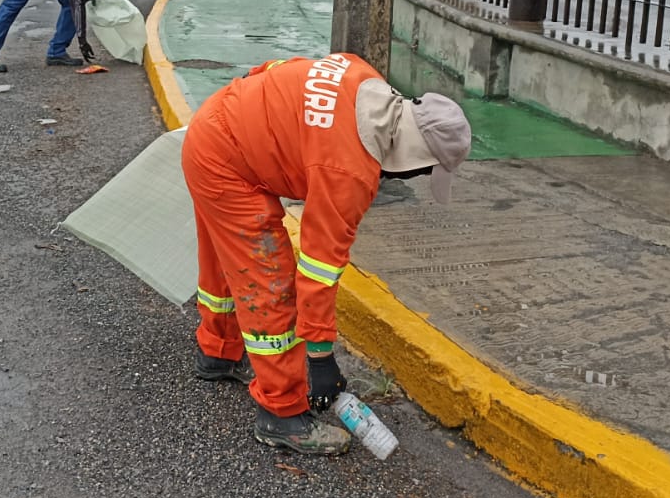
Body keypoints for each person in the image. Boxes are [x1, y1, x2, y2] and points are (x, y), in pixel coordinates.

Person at [184, 53, 473, 455]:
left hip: (218, 122)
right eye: (425, 171)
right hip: (228, 163)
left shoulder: (365, 77)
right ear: (414, 157)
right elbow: (318, 270)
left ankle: (217, 354)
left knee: (226, 261)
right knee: (268, 281)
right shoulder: (349, 172)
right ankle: (281, 414)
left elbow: (275, 69)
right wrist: (321, 361)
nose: (419, 179)